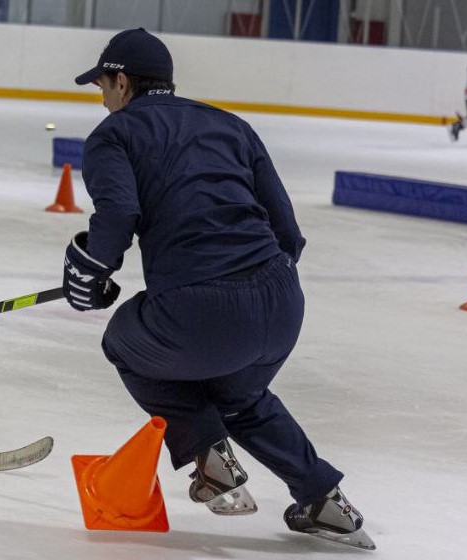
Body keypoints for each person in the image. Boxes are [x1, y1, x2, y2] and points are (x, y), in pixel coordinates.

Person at [62, 28, 374, 550]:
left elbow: (118, 214)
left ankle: (209, 455)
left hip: (202, 306)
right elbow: (288, 233)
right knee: (239, 394)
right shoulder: (231, 125)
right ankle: (324, 500)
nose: (103, 97)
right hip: (282, 302)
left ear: (121, 81)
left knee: (123, 343)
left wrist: (92, 270)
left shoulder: (113, 135)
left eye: (102, 85)